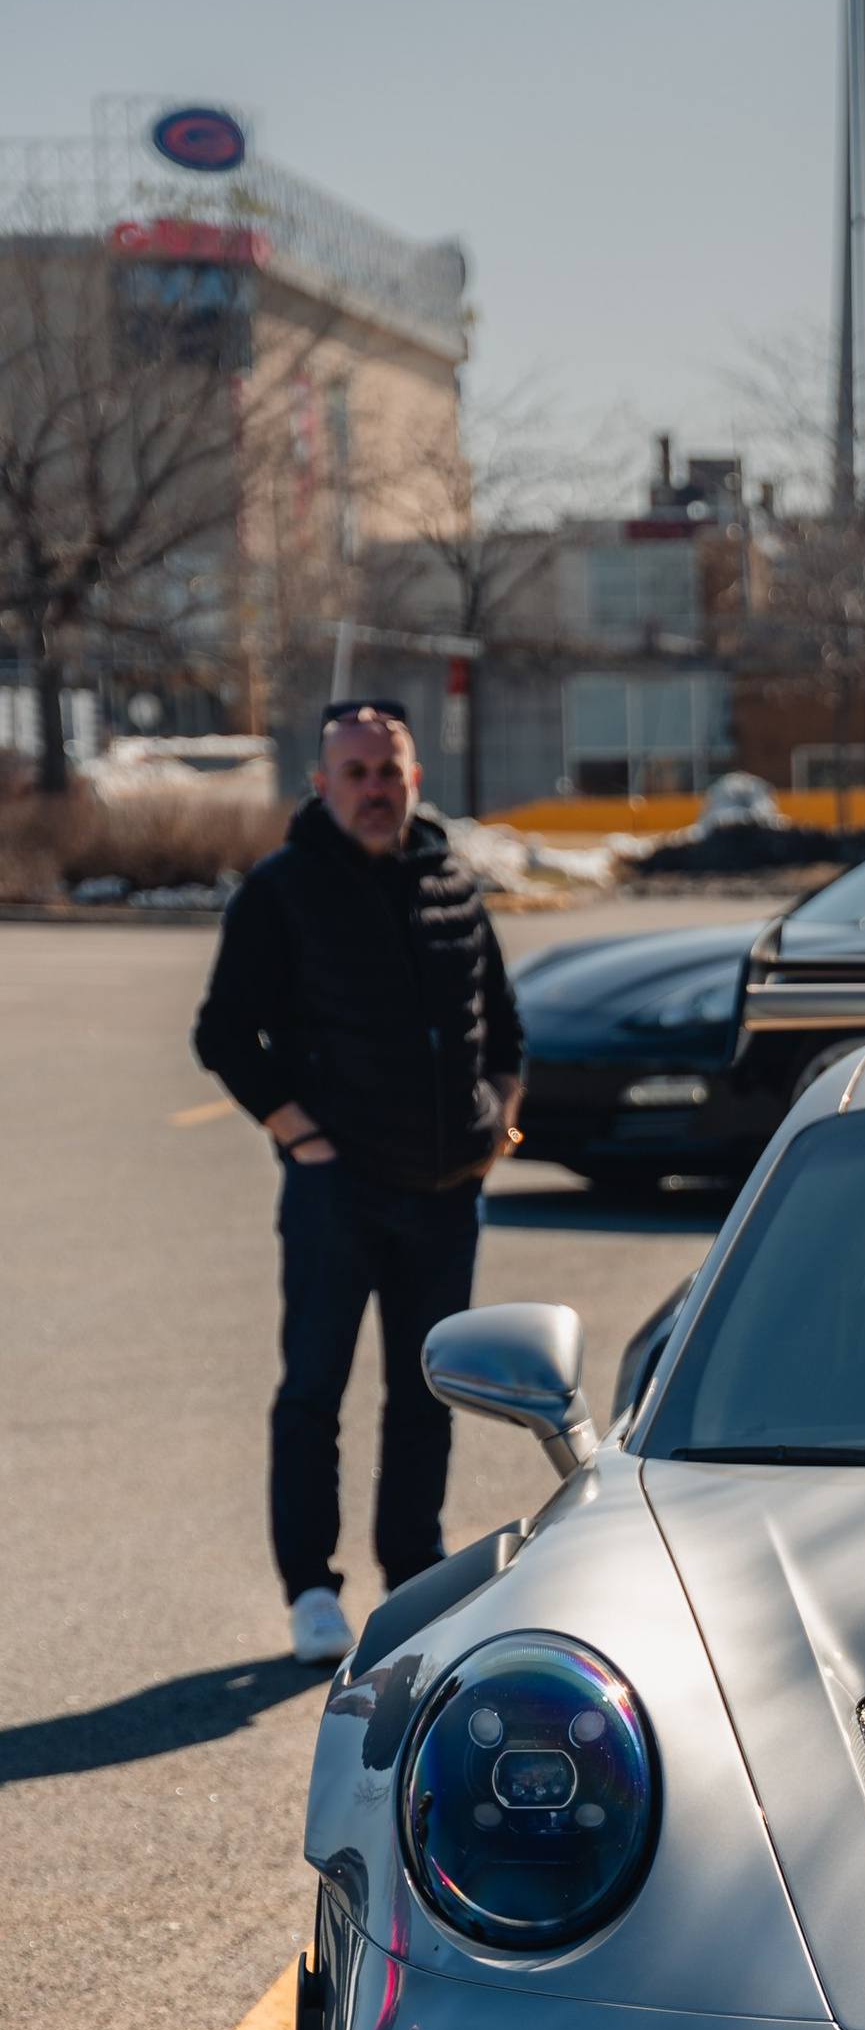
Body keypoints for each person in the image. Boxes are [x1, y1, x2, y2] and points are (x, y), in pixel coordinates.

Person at [195, 699, 523, 1664]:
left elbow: (502, 1024)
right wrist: (301, 1137)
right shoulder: (284, 890)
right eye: (357, 773)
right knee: (315, 1392)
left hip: (445, 1193)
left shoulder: (452, 878)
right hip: (339, 1193)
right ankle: (311, 1590)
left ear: (414, 776)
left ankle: (414, 1573)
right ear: (322, 783)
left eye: (390, 771)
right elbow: (224, 1034)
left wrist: (495, 1121)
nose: (376, 790)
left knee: (425, 1392)